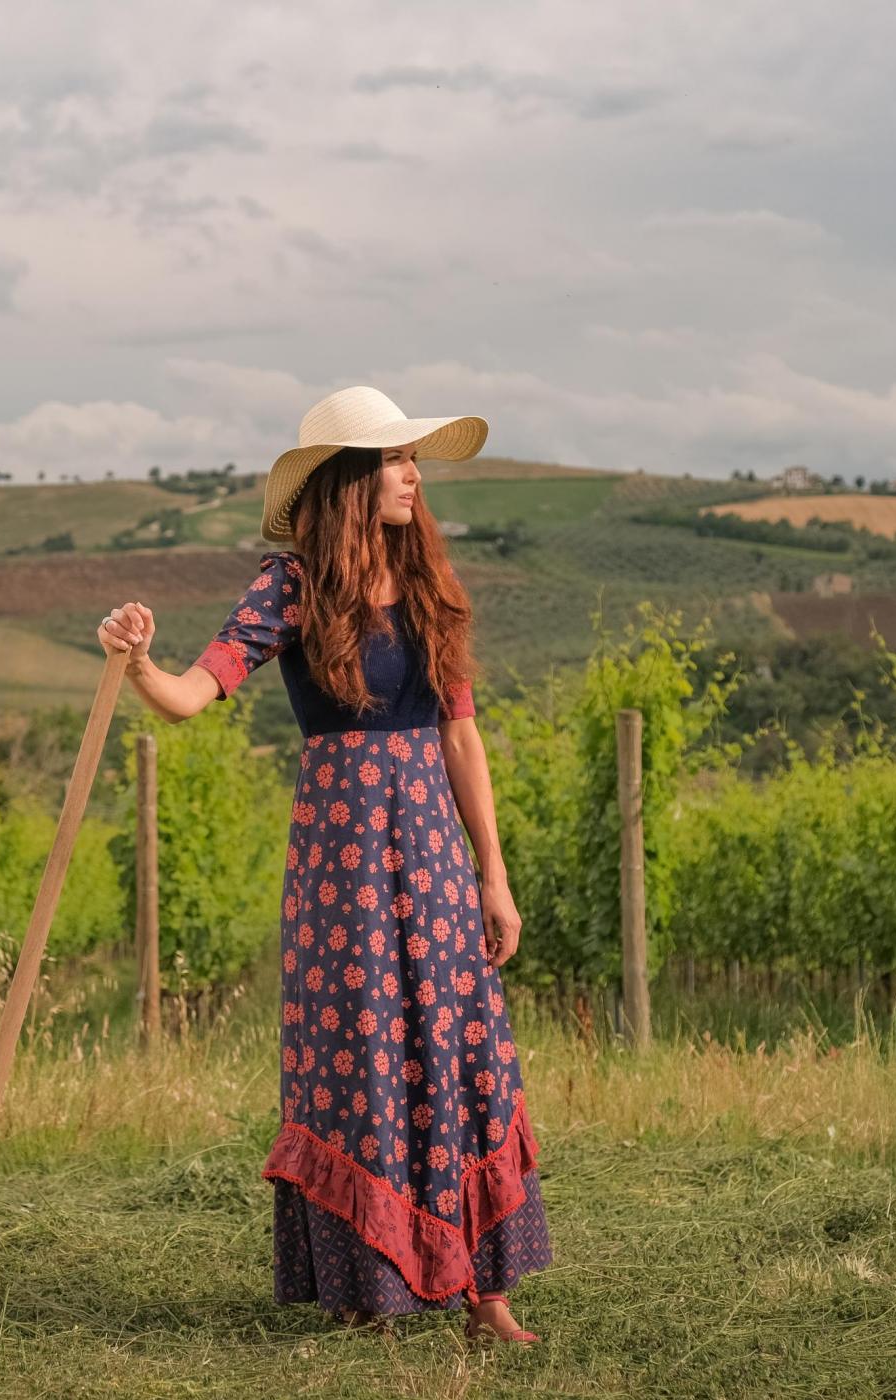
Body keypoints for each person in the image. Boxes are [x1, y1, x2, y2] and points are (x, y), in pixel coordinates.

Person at [94, 385, 551, 1346]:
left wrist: (494, 878)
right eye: (394, 461)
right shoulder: (291, 588)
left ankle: (486, 1294)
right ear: (348, 479)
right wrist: (138, 662)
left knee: (456, 1046)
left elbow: (464, 740)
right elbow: (191, 693)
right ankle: (370, 1291)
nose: (413, 476)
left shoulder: (430, 585)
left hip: (429, 847)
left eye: (413, 460)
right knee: (361, 1056)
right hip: (341, 860)